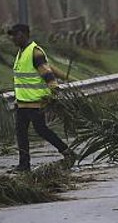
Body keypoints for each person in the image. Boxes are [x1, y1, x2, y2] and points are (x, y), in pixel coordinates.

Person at [7, 23, 76, 173]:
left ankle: (67, 152)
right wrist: (17, 101)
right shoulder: (21, 52)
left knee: (41, 130)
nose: (13, 38)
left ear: (24, 34)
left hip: (36, 102)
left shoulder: (35, 52)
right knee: (21, 133)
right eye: (12, 35)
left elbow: (47, 74)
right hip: (23, 103)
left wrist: (54, 94)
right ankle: (24, 165)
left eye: (16, 35)